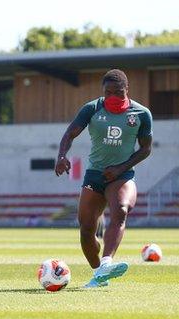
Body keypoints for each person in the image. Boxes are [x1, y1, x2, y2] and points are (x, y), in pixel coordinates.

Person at [55, 69, 153, 288]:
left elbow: (146, 149)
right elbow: (70, 134)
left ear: (126, 90)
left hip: (122, 174)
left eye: (118, 92)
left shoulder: (141, 114)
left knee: (121, 210)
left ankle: (107, 262)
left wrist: (121, 168)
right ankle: (99, 273)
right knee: (86, 229)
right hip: (95, 175)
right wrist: (62, 156)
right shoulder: (92, 108)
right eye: (108, 92)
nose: (113, 97)